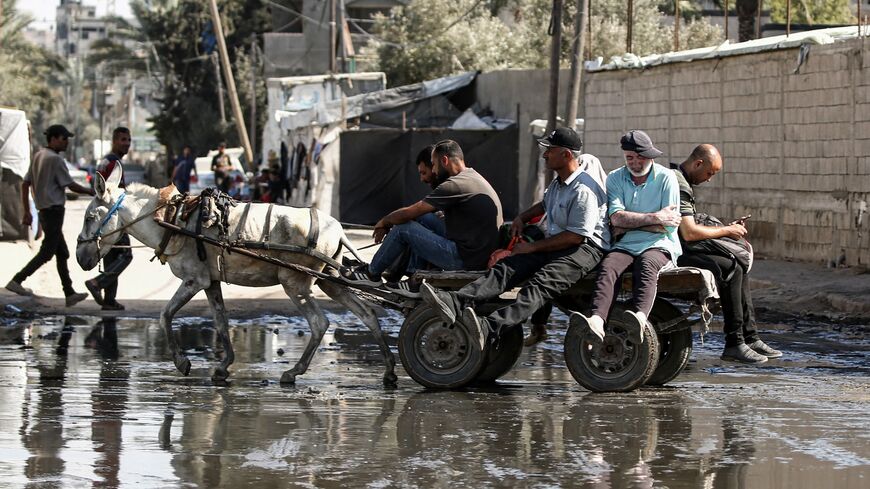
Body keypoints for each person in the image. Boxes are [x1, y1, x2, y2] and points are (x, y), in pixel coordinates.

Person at [420, 127, 611, 351]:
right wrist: (522, 217)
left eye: (549, 150)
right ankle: (456, 300)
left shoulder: (583, 190)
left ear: (566, 154)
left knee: (539, 285)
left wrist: (532, 248)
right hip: (560, 241)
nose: (544, 154)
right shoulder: (559, 183)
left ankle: (490, 328)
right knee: (508, 267)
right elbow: (545, 204)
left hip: (584, 248)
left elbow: (576, 236)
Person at [672, 144, 781, 363]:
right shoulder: (679, 184)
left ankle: (750, 337)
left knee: (737, 262)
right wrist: (727, 230)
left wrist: (725, 230)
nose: (709, 179)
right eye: (709, 173)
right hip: (672, 249)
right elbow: (690, 232)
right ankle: (734, 343)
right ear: (698, 164)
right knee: (729, 267)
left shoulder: (680, 179)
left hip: (680, 244)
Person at [571, 130, 682, 343]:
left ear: (649, 156)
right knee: (608, 266)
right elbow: (616, 220)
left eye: (639, 157)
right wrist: (655, 217)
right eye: (630, 157)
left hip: (660, 244)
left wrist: (631, 223)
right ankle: (596, 321)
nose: (635, 162)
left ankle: (639, 319)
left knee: (647, 263)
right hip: (625, 244)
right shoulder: (615, 178)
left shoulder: (667, 178)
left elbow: (668, 227)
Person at [345, 140, 503, 289]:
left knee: (404, 228)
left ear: (445, 161)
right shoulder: (471, 176)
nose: (434, 170)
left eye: (433, 165)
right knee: (423, 218)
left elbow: (412, 211)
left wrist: (384, 222)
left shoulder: (454, 185)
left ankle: (371, 274)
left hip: (465, 260)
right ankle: (414, 276)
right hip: (476, 254)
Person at [5, 124, 94, 306]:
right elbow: (70, 185)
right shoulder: (55, 160)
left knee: (62, 252)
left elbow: (25, 184)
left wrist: (28, 211)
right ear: (53, 138)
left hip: (44, 210)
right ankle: (17, 280)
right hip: (53, 210)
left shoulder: (38, 155)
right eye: (64, 138)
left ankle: (69, 293)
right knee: (47, 252)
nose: (66, 142)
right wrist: (92, 191)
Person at [85, 127, 134, 311]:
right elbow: (114, 194)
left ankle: (109, 300)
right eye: (123, 139)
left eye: (128, 140)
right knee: (125, 255)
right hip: (113, 216)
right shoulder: (114, 164)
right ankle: (97, 283)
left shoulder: (106, 161)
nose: (127, 143)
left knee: (112, 256)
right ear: (114, 141)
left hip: (103, 216)